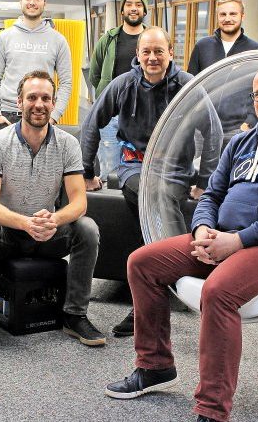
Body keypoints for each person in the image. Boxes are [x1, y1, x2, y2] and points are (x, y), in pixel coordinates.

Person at [105, 64, 258, 422]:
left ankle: (212, 408)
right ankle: (154, 365)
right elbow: (212, 195)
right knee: (143, 263)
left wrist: (238, 241)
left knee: (218, 291)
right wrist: (202, 230)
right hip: (222, 238)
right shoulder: (241, 142)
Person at [81, 26, 222, 337]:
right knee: (152, 193)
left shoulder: (188, 86)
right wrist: (87, 172)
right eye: (146, 51)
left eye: (159, 51)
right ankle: (176, 274)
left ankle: (159, 284)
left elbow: (213, 132)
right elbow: (92, 123)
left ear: (171, 53)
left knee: (162, 194)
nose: (153, 57)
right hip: (134, 168)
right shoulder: (123, 85)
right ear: (138, 54)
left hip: (175, 171)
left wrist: (204, 180)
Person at [0, 70, 105, 349]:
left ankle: (75, 315)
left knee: (88, 228)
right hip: (8, 235)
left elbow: (79, 202)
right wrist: (25, 223)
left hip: (48, 234)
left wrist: (54, 219)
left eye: (46, 98)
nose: (39, 104)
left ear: (54, 103)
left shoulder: (68, 144)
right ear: (19, 102)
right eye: (32, 97)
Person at [0, 0, 72, 131]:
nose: (32, 2)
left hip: (41, 114)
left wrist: (54, 116)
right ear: (21, 2)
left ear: (44, 3)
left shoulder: (58, 40)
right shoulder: (4, 37)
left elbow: (66, 82)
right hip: (8, 115)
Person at [187, 0, 258, 149]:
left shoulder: (255, 51)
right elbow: (191, 85)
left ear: (242, 16)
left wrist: (249, 123)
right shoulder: (202, 46)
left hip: (238, 130)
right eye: (223, 14)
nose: (227, 18)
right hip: (203, 130)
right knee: (199, 166)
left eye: (233, 14)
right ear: (217, 16)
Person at [89, 0, 148, 181]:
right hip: (111, 115)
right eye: (129, 4)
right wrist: (108, 95)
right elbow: (95, 74)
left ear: (144, 11)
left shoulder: (150, 39)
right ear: (122, 11)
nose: (133, 8)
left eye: (138, 5)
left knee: (141, 169)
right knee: (110, 168)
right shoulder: (108, 39)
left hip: (143, 115)